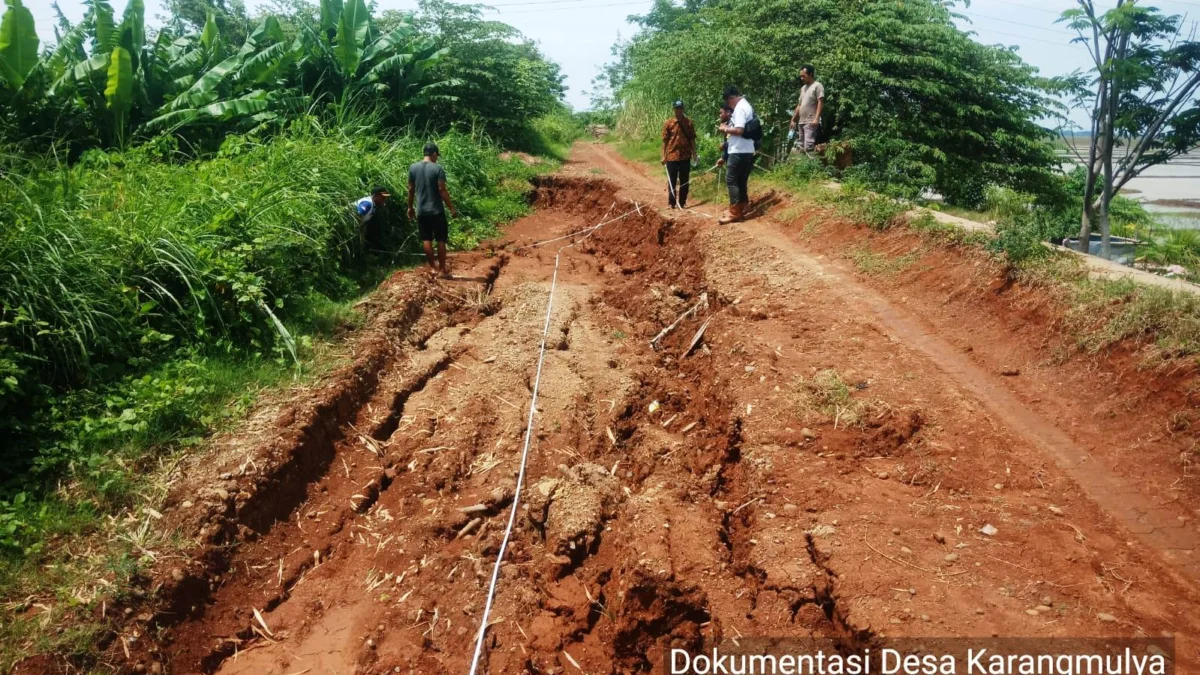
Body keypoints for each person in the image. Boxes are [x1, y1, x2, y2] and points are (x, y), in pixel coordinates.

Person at [408, 143, 460, 278]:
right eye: (437, 155)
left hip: (422, 211)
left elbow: (410, 189)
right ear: (434, 154)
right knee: (441, 239)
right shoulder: (437, 169)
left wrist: (409, 207)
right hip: (436, 211)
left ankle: (432, 268)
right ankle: (442, 270)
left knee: (426, 239)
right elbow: (441, 190)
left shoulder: (413, 168)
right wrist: (451, 208)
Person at [718, 86, 755, 224]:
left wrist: (725, 128)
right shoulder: (747, 106)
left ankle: (734, 212)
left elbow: (739, 130)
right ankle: (743, 206)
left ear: (732, 98)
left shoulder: (739, 108)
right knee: (740, 180)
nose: (728, 106)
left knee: (731, 179)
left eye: (728, 102)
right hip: (746, 149)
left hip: (738, 150)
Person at [661, 99, 697, 209]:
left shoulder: (688, 122)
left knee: (684, 180)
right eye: (677, 108)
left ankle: (682, 202)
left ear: (683, 109)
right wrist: (663, 155)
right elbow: (665, 140)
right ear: (674, 109)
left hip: (685, 156)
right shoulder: (668, 123)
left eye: (680, 108)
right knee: (671, 180)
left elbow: (692, 139)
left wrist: (694, 153)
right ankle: (671, 203)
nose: (678, 110)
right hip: (671, 155)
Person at [789, 65, 825, 153]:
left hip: (810, 121)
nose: (801, 78)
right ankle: (802, 166)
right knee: (800, 146)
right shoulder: (803, 88)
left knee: (808, 146)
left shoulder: (817, 86)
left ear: (811, 74)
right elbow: (799, 105)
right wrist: (793, 119)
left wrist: (816, 119)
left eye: (803, 76)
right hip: (801, 121)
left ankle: (812, 166)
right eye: (800, 76)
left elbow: (820, 102)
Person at [354, 186, 391, 251]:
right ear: (375, 196)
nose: (385, 199)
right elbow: (356, 215)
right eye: (382, 197)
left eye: (385, 197)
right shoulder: (368, 204)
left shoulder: (374, 205)